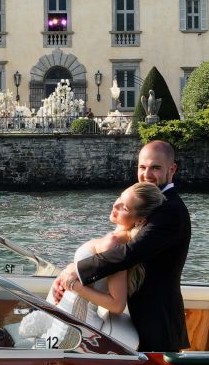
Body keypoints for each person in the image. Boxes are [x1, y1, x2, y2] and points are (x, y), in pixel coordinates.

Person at [52, 140, 191, 352]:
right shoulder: (146, 200)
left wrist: (77, 272)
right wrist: (69, 271)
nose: (147, 174)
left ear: (172, 169)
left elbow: (129, 253)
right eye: (142, 167)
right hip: (137, 315)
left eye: (155, 167)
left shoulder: (170, 210)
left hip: (157, 322)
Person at [29, 181, 162, 350]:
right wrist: (67, 273)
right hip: (64, 320)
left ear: (140, 220)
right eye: (120, 198)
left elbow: (117, 304)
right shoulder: (115, 238)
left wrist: (73, 285)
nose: (116, 204)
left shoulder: (114, 244)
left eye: (125, 208)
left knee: (17, 358)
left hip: (72, 329)